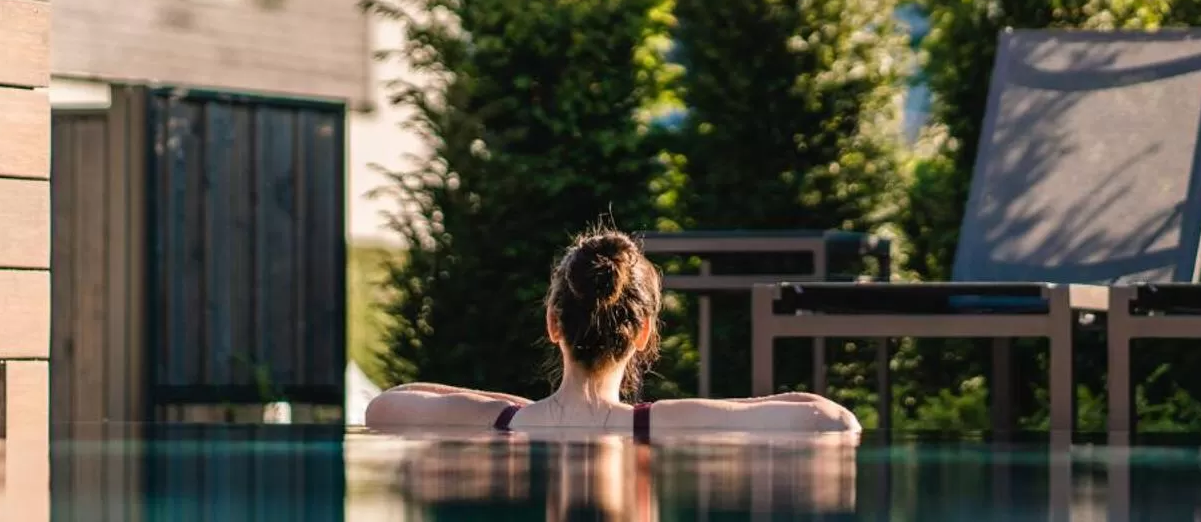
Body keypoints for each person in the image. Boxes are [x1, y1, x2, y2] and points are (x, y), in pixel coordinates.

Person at [365, 228, 860, 437]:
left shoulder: (506, 424)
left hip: (523, 420)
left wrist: (520, 409)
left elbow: (384, 405)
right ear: (643, 332)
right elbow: (834, 419)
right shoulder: (660, 423)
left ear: (553, 324)